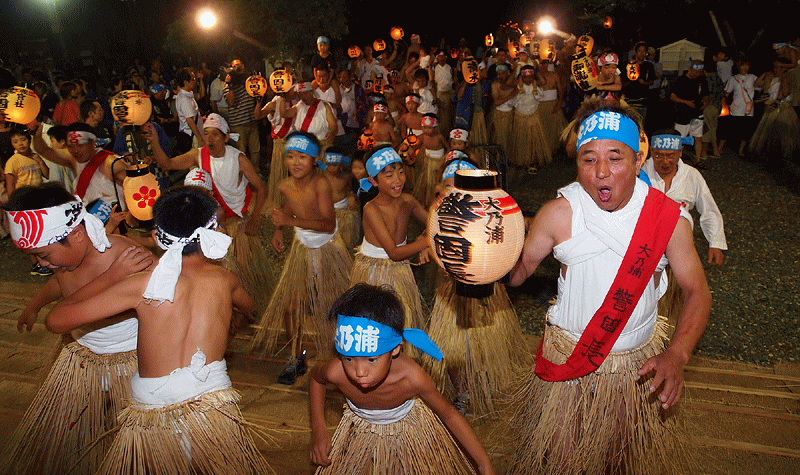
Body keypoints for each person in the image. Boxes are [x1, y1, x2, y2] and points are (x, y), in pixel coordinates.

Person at [507, 105, 711, 474]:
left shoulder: (668, 219)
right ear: (577, 163)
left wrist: (677, 355)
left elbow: (697, 291)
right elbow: (518, 273)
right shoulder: (558, 213)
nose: (601, 171)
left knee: (616, 459)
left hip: (630, 367)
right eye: (589, 159)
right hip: (566, 355)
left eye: (615, 157)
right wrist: (482, 265)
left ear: (637, 162)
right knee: (561, 459)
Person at [44, 187, 272, 474]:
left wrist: (111, 277)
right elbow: (249, 305)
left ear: (156, 237)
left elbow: (56, 321)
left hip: (155, 406)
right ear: (213, 233)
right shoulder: (225, 279)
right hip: (212, 400)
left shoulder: (141, 286)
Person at [0, 183, 151, 474]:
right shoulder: (63, 263)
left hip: (130, 356)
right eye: (34, 257)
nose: (42, 264)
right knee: (74, 428)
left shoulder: (122, 256)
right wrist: (35, 304)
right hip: (82, 353)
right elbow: (60, 283)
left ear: (78, 235)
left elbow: (166, 293)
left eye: (43, 255)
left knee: (129, 429)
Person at [308, 283, 496, 475]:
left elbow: (449, 413)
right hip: (359, 433)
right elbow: (316, 380)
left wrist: (483, 462)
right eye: (348, 358)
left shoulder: (412, 378)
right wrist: (319, 430)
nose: (360, 371)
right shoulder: (335, 372)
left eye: (372, 359)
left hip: (406, 435)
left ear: (396, 348)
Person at [426, 157, 532, 417]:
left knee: (483, 344)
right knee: (453, 348)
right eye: (448, 189)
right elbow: (430, 236)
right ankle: (461, 392)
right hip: (451, 294)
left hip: (487, 291)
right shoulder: (439, 209)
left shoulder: (489, 208)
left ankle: (481, 383)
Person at [143, 113, 271, 314]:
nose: (209, 139)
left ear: (226, 138)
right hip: (209, 227)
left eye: (215, 135)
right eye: (206, 134)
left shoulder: (238, 159)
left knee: (242, 274)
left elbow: (261, 188)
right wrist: (155, 142)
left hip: (236, 223)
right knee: (215, 274)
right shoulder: (198, 155)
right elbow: (167, 165)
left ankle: (244, 311)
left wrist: (254, 220)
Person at [252, 131, 353, 384]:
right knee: (291, 307)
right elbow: (289, 204)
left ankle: (342, 356)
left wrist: (289, 221)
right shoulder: (284, 185)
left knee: (332, 305)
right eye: (291, 156)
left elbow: (328, 224)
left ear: (315, 159)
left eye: (303, 157)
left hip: (327, 248)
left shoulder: (321, 184)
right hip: (301, 247)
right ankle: (296, 357)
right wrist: (279, 229)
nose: (296, 162)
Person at [350, 146, 430, 340]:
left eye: (400, 172)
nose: (398, 180)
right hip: (375, 271)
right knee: (377, 323)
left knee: (401, 322)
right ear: (373, 181)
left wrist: (423, 239)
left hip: (399, 269)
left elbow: (434, 224)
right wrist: (427, 241)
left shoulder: (408, 201)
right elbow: (393, 253)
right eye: (389, 175)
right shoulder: (371, 209)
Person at [643, 129, 727, 265]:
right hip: (643, 248)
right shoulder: (640, 172)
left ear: (680, 152)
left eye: (670, 156)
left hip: (679, 247)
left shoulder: (692, 176)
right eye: (658, 156)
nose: (665, 162)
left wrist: (715, 243)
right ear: (651, 151)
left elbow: (709, 210)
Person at [320, 145, 360, 253]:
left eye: (335, 165)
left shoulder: (346, 176)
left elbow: (354, 191)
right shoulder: (322, 177)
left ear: (341, 163)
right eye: (329, 165)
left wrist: (352, 196)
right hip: (328, 211)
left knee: (344, 243)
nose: (332, 168)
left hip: (343, 210)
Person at [511, 65, 551, 175]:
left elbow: (539, 96)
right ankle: (521, 160)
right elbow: (513, 99)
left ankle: (532, 162)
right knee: (521, 139)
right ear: (521, 77)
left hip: (533, 115)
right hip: (520, 115)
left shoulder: (535, 86)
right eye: (525, 77)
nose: (527, 80)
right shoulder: (518, 86)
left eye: (530, 77)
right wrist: (519, 87)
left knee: (533, 140)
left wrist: (534, 86)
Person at [225, 58, 262, 173]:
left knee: (255, 151)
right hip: (238, 124)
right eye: (235, 67)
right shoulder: (228, 84)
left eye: (239, 66)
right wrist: (230, 85)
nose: (238, 68)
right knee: (240, 153)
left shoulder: (250, 81)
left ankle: (256, 174)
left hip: (252, 121)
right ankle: (242, 177)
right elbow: (230, 102)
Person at [670, 60, 709, 167]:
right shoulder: (681, 80)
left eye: (699, 72)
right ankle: (677, 160)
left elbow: (706, 95)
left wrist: (705, 103)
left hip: (697, 113)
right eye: (695, 72)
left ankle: (697, 160)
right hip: (683, 113)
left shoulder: (701, 80)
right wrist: (686, 102)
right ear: (690, 69)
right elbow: (672, 96)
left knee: (698, 137)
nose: (697, 74)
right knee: (680, 138)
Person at [721, 58, 757, 157]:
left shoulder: (753, 78)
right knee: (729, 129)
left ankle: (741, 150)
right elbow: (727, 93)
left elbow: (760, 87)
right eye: (742, 65)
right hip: (736, 108)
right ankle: (720, 148)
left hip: (748, 109)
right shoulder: (733, 79)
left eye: (746, 65)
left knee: (745, 131)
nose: (744, 68)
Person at [415, 113, 449, 206]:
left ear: (435, 127)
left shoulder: (439, 137)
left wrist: (446, 157)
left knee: (436, 184)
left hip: (439, 164)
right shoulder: (422, 137)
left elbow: (448, 148)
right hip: (427, 162)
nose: (426, 130)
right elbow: (417, 146)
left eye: (429, 128)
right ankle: (422, 203)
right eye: (424, 127)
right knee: (424, 184)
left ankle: (437, 203)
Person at [622, 42, 656, 127]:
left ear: (646, 53)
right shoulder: (628, 65)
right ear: (636, 52)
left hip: (642, 101)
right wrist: (630, 81)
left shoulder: (649, 65)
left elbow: (652, 81)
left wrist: (644, 83)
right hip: (629, 101)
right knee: (629, 125)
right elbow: (622, 82)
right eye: (639, 51)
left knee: (641, 125)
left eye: (644, 51)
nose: (642, 53)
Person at [174, 67, 205, 154]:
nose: (195, 81)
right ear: (185, 82)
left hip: (193, 134)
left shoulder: (187, 95)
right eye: (193, 79)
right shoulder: (185, 99)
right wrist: (200, 138)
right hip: (192, 137)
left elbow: (201, 95)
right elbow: (190, 120)